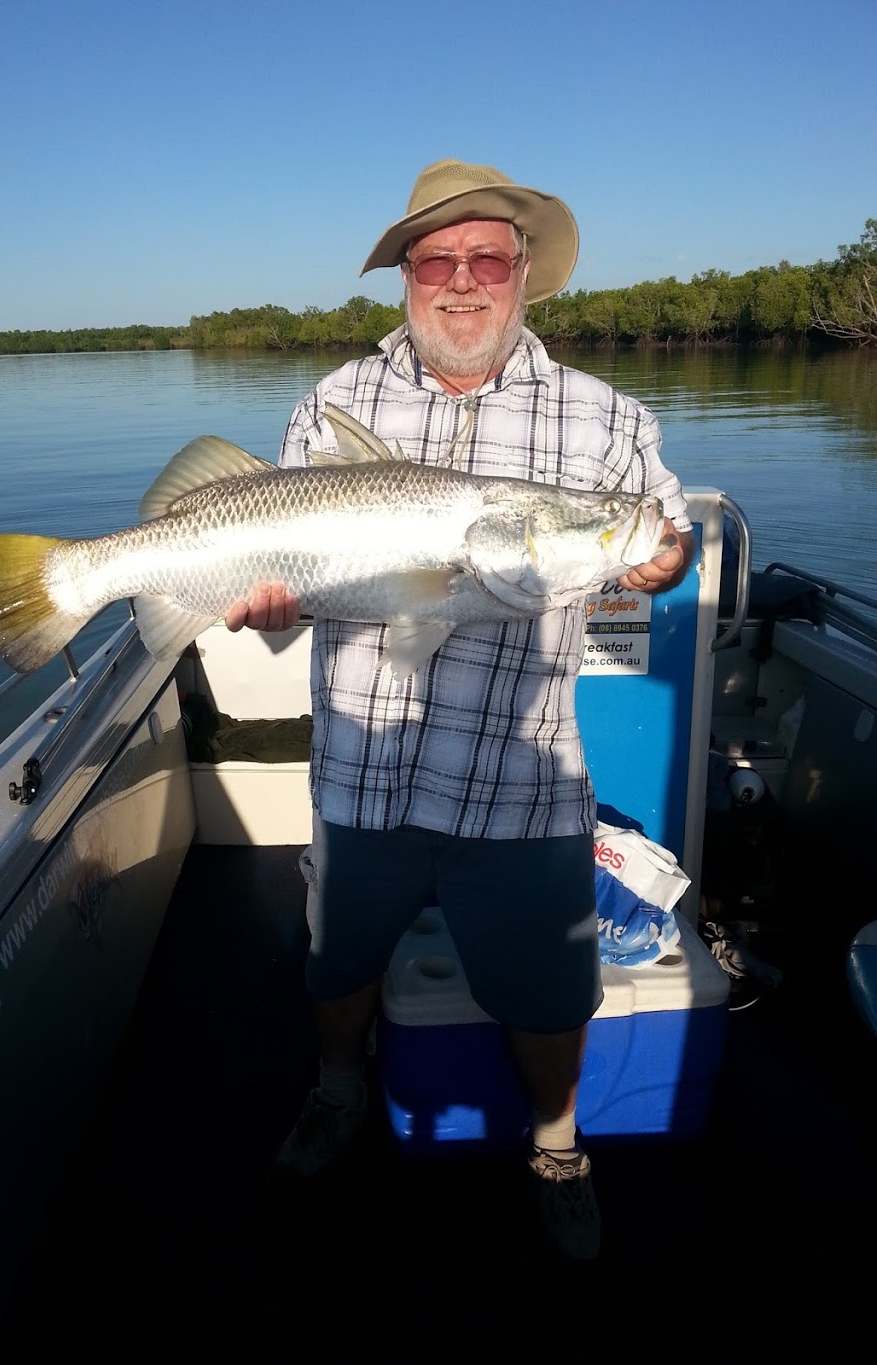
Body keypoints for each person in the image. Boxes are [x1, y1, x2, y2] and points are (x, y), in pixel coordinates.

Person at [225, 158, 694, 1260]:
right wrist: (261, 605)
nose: (463, 282)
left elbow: (662, 535)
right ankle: (341, 1088)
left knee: (545, 994)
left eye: (487, 258)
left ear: (524, 273)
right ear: (404, 276)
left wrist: (651, 559)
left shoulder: (606, 418)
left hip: (520, 784)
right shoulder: (330, 404)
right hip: (358, 773)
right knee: (336, 969)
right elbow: (281, 591)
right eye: (437, 259)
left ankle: (555, 1141)